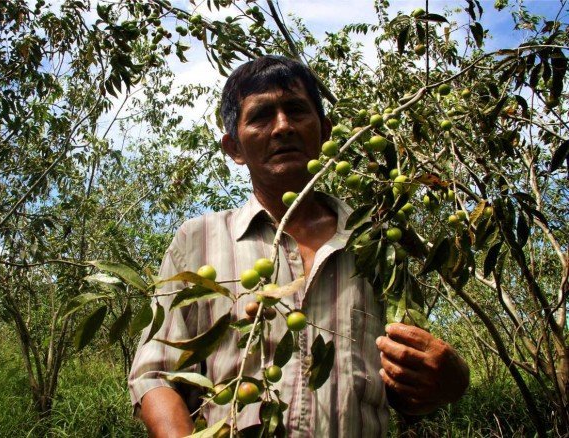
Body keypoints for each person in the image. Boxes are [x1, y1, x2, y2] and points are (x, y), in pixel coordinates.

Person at [128, 55, 470, 437]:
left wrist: (449, 383)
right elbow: (154, 373)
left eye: (295, 110)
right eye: (260, 117)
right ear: (234, 148)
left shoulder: (376, 240)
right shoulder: (197, 241)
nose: (283, 127)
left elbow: (405, 384)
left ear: (325, 131)